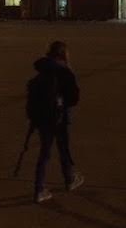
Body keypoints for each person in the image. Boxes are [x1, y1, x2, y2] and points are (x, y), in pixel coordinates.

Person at [29, 41, 83, 203]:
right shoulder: (64, 72)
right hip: (60, 117)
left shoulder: (42, 70)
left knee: (44, 153)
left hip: (43, 118)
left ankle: (39, 189)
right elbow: (74, 98)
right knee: (63, 150)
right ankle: (69, 180)